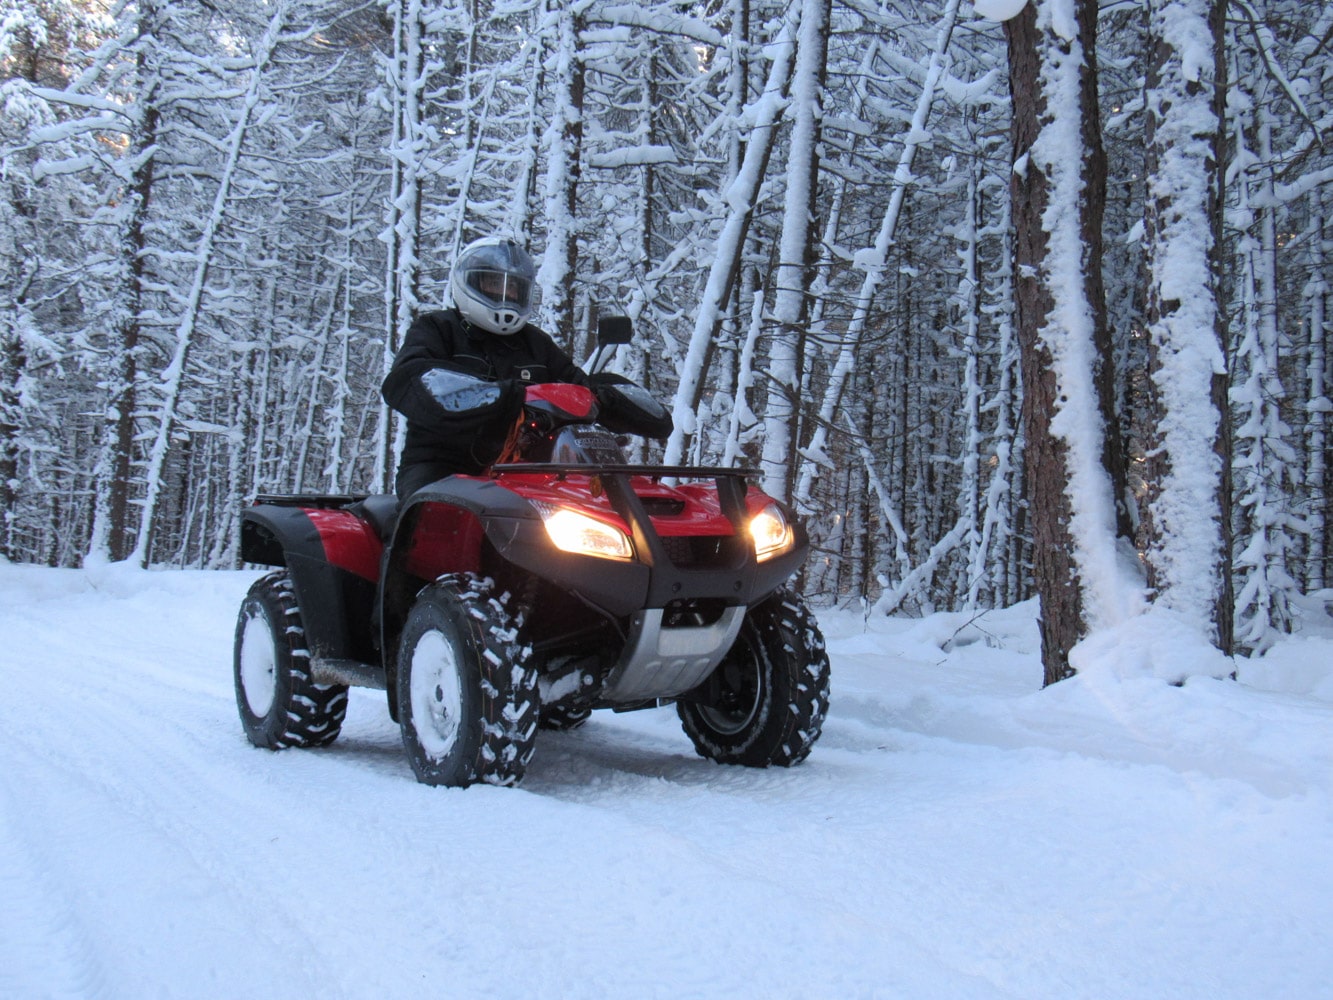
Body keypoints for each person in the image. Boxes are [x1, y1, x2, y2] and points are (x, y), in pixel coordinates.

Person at [381, 236, 588, 500]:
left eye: (513, 287)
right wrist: (503, 396)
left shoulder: (537, 344)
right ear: (469, 282)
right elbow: (409, 380)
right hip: (441, 466)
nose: (505, 294)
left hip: (527, 470)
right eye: (493, 283)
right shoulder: (438, 330)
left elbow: (577, 385)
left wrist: (607, 398)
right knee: (434, 515)